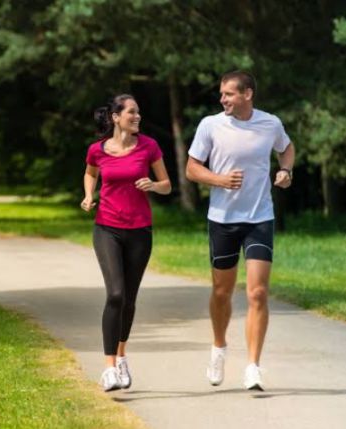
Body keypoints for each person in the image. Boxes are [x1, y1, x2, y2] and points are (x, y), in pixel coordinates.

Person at [185, 71, 295, 391]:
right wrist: (218, 180)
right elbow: (192, 168)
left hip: (260, 217)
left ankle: (253, 367)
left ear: (247, 94)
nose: (223, 99)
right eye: (222, 94)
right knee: (222, 292)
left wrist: (285, 170)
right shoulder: (210, 125)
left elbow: (286, 148)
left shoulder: (270, 124)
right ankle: (219, 348)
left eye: (229, 94)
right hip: (223, 219)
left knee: (258, 292)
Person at [81, 94, 172, 392]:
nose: (137, 116)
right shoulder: (97, 150)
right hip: (107, 227)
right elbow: (90, 172)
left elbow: (167, 185)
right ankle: (108, 369)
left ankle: (121, 356)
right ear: (116, 117)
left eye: (139, 112)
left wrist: (153, 185)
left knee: (129, 299)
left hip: (140, 230)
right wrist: (88, 195)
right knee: (116, 294)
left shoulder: (149, 146)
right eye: (131, 112)